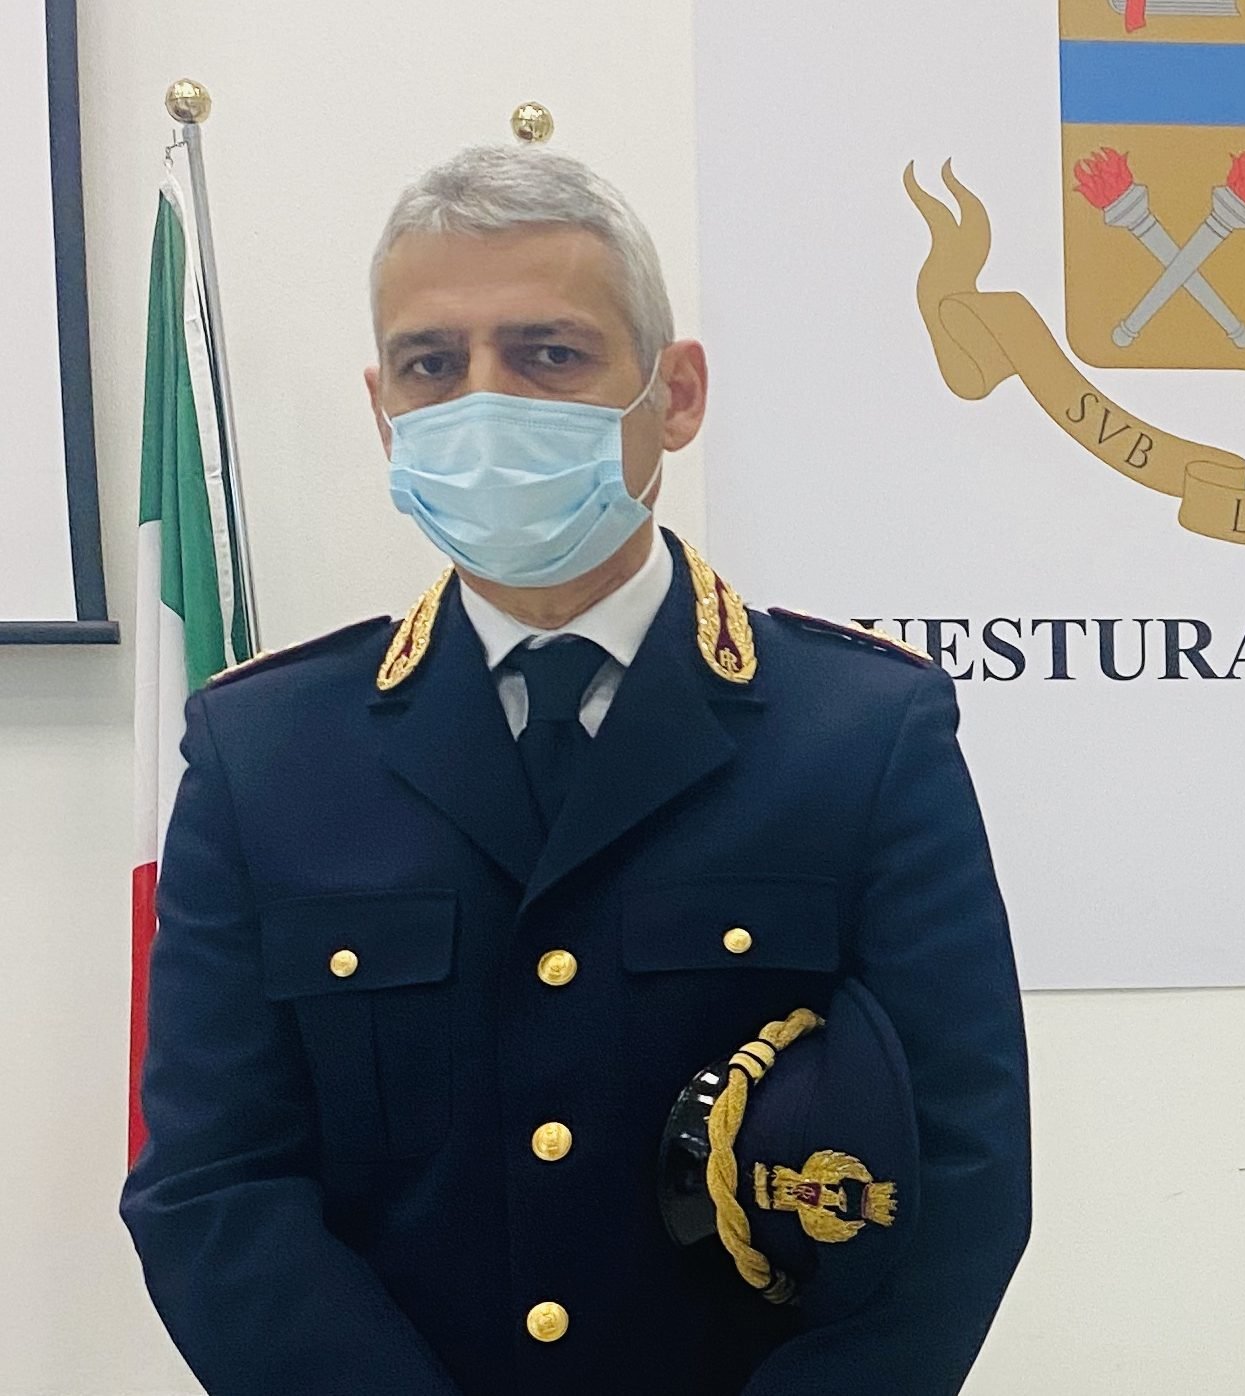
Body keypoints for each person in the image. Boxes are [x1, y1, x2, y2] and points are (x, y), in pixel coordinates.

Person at [121, 144, 1032, 1396]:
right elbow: (212, 1186)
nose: (483, 401)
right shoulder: (268, 752)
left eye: (548, 354)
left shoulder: (859, 736)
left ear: (677, 392)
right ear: (383, 410)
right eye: (431, 365)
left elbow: (959, 1171)